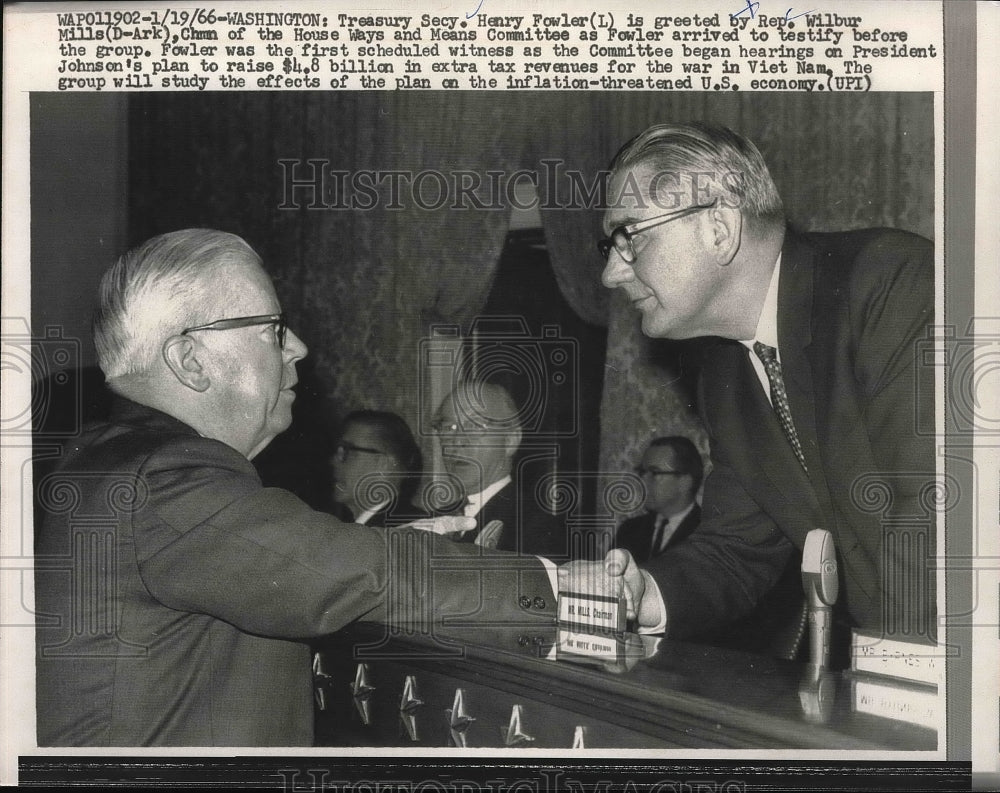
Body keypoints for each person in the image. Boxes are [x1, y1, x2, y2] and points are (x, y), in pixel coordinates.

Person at [33, 229, 558, 746]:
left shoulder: (118, 458)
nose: (299, 348)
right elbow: (341, 574)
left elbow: (303, 566)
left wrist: (397, 546)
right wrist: (552, 586)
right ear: (189, 359)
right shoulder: (163, 474)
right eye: (273, 329)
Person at [574, 122, 935, 657]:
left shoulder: (887, 283)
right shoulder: (725, 375)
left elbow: (933, 512)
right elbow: (736, 552)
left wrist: (901, 676)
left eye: (629, 237)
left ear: (718, 228)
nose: (610, 273)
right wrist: (641, 594)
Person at [430, 380, 567, 559]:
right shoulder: (431, 521)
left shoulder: (536, 528)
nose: (457, 441)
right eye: (449, 428)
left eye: (474, 426)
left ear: (510, 441)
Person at [330, 409, 428, 527]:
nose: (334, 461)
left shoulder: (407, 530)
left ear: (384, 464)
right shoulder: (359, 529)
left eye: (346, 450)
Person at [613, 436, 703, 563]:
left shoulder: (706, 534)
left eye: (654, 473)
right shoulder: (629, 530)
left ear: (685, 482)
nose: (643, 480)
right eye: (642, 472)